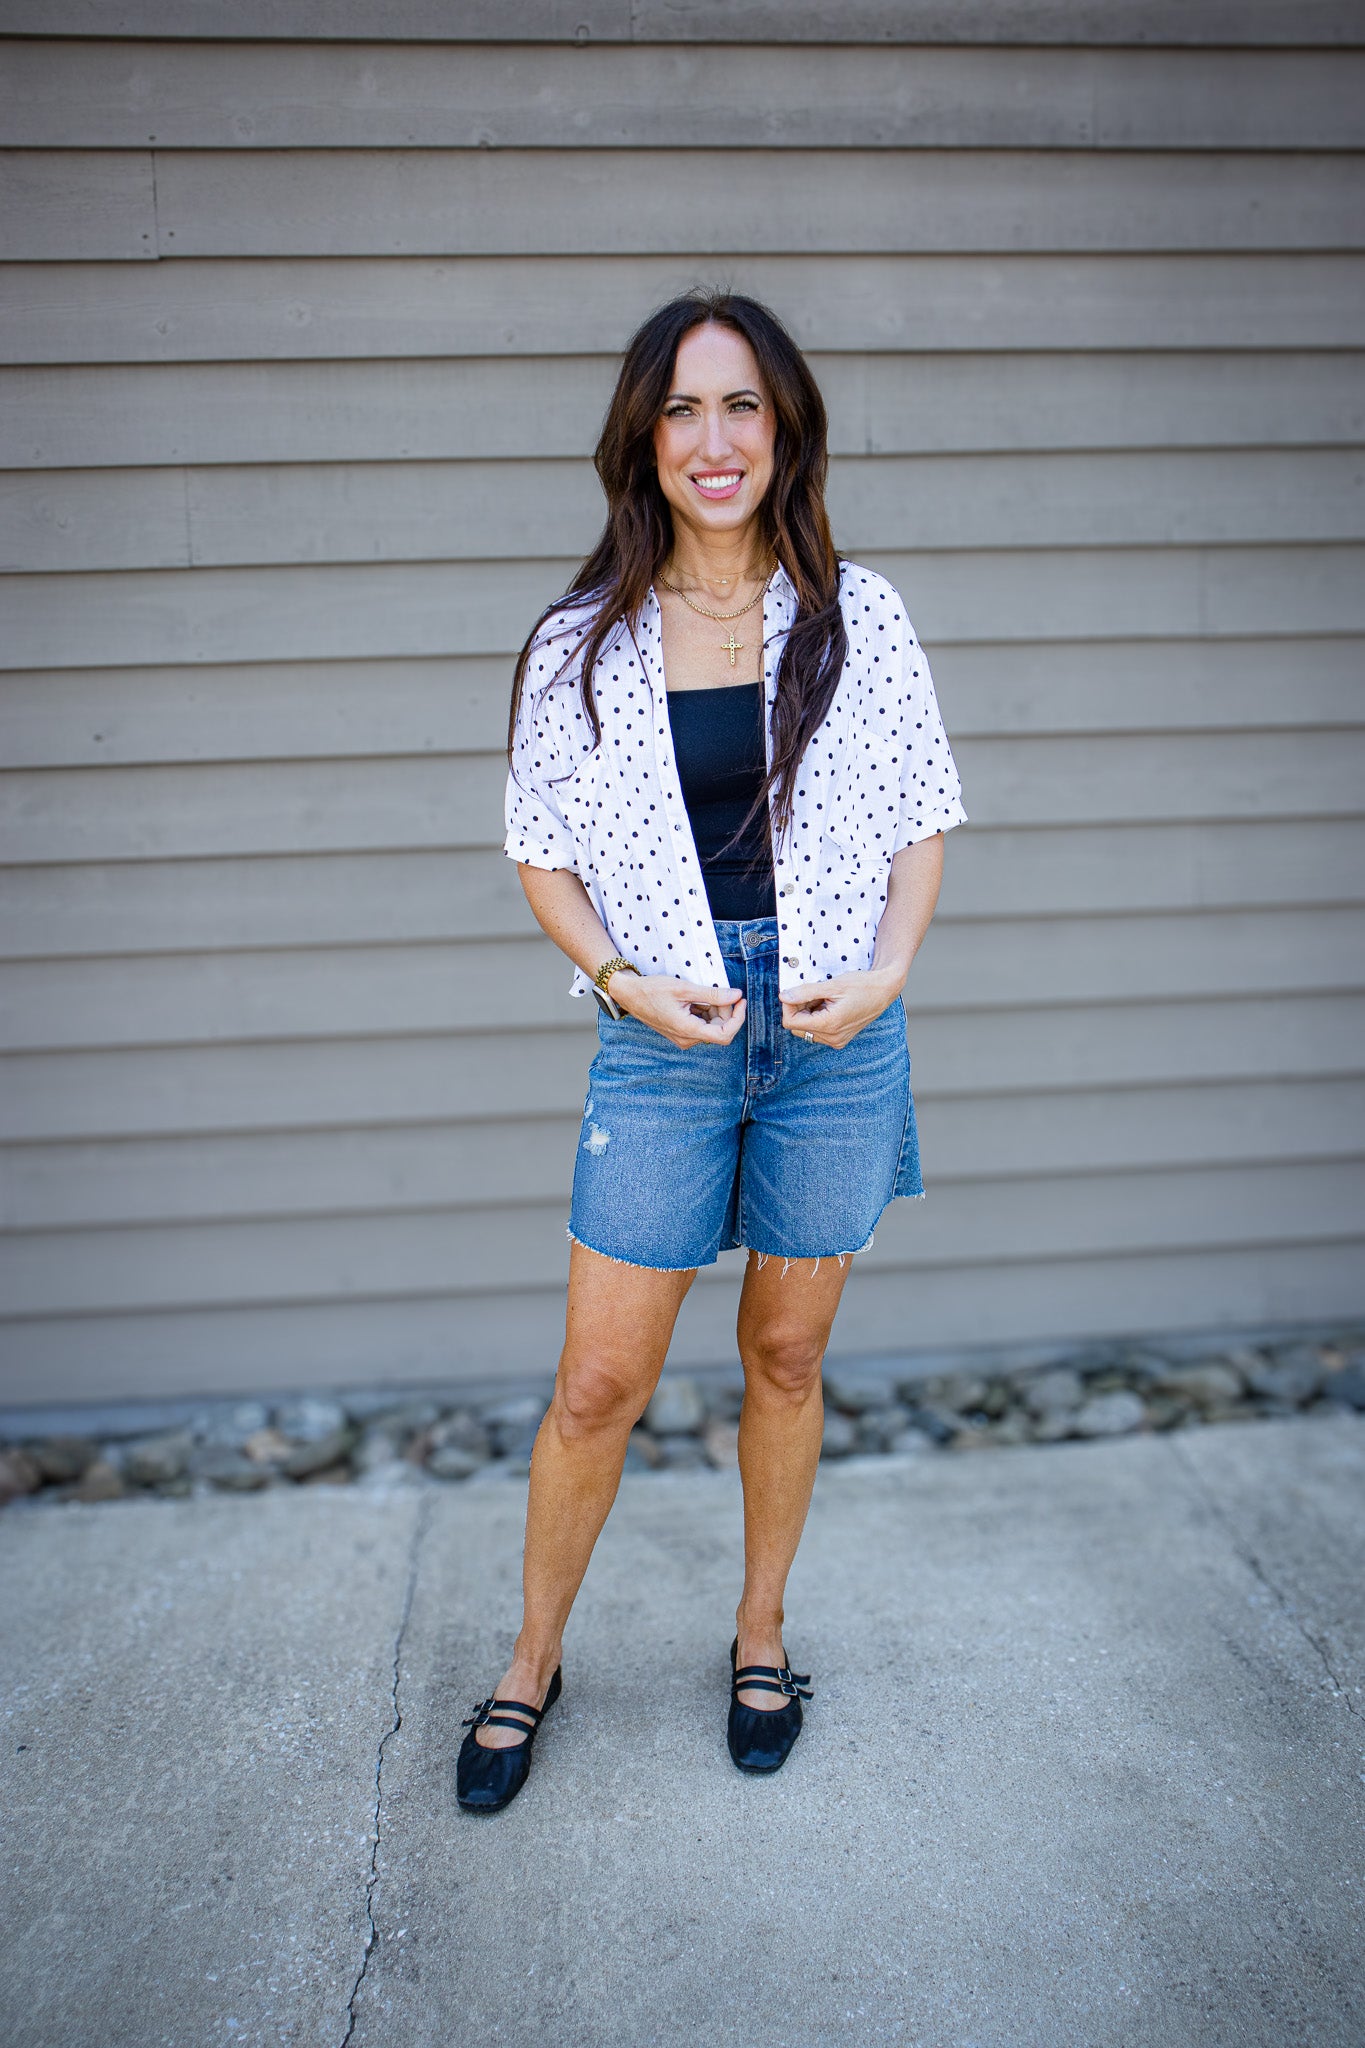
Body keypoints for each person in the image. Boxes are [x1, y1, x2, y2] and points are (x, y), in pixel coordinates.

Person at [456, 289, 966, 1812]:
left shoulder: (857, 614)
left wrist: (888, 975)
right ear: (643, 438)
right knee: (597, 1383)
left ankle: (758, 1630)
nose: (713, 438)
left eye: (740, 405)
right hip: (663, 1036)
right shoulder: (580, 642)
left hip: (832, 1033)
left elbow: (920, 813)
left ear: (784, 427)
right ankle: (532, 1657)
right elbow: (540, 851)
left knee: (787, 1356)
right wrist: (615, 972)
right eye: (681, 409)